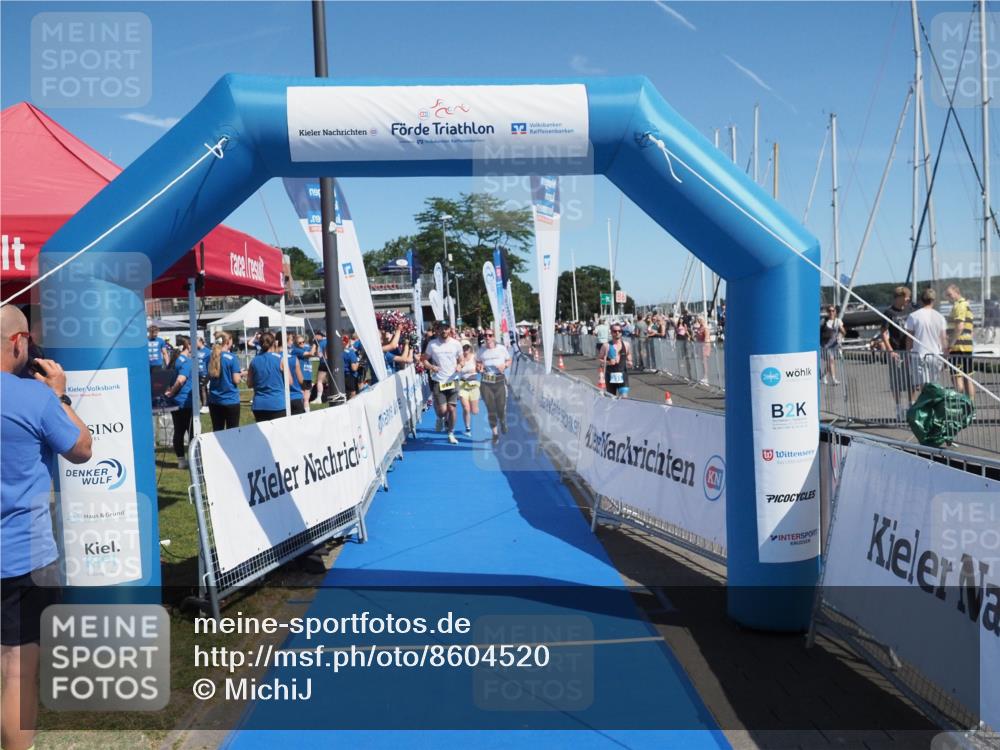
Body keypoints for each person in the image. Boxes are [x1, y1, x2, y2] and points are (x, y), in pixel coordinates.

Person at [1, 305, 92, 750]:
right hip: (22, 557)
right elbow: (82, 448)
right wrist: (59, 394)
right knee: (18, 671)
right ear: (19, 342)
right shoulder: (34, 398)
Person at [422, 321, 463, 444]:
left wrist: (460, 365)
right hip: (438, 380)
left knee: (452, 408)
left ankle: (451, 432)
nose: (444, 331)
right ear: (437, 330)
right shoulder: (432, 344)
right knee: (442, 411)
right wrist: (431, 367)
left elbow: (461, 360)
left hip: (453, 380)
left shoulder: (456, 344)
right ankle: (440, 418)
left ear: (449, 329)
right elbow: (424, 359)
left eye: (446, 328)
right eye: (441, 329)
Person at [905, 287, 948, 403]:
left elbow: (909, 338)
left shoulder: (913, 316)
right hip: (935, 354)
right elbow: (943, 338)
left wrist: (907, 354)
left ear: (921, 300)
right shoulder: (940, 317)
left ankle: (922, 410)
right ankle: (932, 409)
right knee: (934, 385)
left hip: (918, 354)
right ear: (933, 300)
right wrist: (946, 356)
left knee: (922, 386)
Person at [881, 286, 916, 420]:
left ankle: (911, 406)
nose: (908, 300)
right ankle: (898, 407)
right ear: (900, 297)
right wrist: (890, 351)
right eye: (906, 297)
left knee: (911, 380)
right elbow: (883, 333)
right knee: (896, 381)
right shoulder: (889, 313)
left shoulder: (910, 310)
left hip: (909, 350)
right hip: (896, 350)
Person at [163, 336, 195, 469]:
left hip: (175, 402)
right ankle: (194, 460)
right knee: (192, 431)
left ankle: (181, 460)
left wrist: (170, 393)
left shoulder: (174, 360)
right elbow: (181, 380)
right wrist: (173, 391)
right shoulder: (186, 362)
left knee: (179, 431)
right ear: (188, 346)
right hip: (184, 402)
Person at [476, 329, 512, 443]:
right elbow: (478, 362)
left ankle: (502, 420)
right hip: (486, 382)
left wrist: (505, 365)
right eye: (485, 335)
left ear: (494, 336)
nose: (487, 337)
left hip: (499, 380)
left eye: (490, 335)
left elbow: (509, 360)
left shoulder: (501, 349)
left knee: (500, 408)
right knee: (491, 409)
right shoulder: (481, 350)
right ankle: (495, 433)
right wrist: (479, 367)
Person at [944, 283, 975, 401]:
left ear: (957, 292)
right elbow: (970, 329)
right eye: (947, 295)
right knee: (968, 378)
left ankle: (962, 406)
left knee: (957, 377)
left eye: (950, 294)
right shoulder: (967, 306)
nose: (948, 297)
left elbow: (960, 327)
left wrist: (950, 345)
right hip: (967, 347)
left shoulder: (959, 306)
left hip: (958, 347)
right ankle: (971, 407)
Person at [207, 331, 243, 431]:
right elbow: (236, 380)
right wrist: (241, 374)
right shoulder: (232, 358)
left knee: (217, 431)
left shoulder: (210, 357)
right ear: (227, 342)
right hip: (230, 400)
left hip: (214, 400)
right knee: (233, 432)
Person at [247, 332, 286, 421]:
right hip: (277, 404)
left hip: (259, 405)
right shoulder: (280, 359)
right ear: (274, 343)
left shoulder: (254, 361)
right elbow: (290, 381)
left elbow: (249, 383)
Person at [599, 323, 633, 397]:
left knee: (624, 399)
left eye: (619, 331)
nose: (617, 333)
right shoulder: (606, 346)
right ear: (611, 332)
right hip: (610, 377)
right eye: (615, 331)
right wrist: (608, 362)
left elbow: (629, 354)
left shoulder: (626, 344)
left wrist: (630, 361)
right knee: (611, 401)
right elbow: (599, 360)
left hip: (623, 376)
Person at [277, 333, 305, 415]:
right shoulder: (293, 358)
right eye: (291, 340)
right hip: (295, 396)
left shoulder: (274, 358)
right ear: (285, 342)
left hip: (280, 398)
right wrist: (304, 387)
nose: (292, 342)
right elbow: (300, 379)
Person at [457, 342, 481, 436]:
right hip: (462, 385)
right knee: (466, 408)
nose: (465, 350)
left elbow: (480, 368)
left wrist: (478, 369)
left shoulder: (475, 357)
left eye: (467, 348)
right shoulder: (459, 358)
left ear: (470, 348)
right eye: (464, 348)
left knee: (474, 411)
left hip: (473, 385)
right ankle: (467, 428)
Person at [820, 305, 845, 385]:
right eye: (829, 311)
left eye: (833, 310)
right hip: (825, 345)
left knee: (830, 362)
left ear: (835, 312)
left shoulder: (838, 321)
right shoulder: (824, 321)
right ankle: (834, 379)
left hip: (834, 345)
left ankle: (824, 376)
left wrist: (840, 335)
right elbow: (819, 332)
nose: (831, 312)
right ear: (827, 312)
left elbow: (843, 331)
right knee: (831, 360)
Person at [290, 335, 313, 411]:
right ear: (296, 344)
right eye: (300, 343)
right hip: (301, 377)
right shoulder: (296, 350)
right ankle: (302, 412)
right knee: (302, 397)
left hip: (308, 376)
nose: (302, 344)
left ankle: (307, 413)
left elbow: (314, 352)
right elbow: (311, 354)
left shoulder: (305, 348)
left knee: (306, 398)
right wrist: (315, 345)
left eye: (303, 342)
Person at [343, 332, 361, 399]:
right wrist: (358, 362)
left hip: (342, 376)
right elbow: (354, 368)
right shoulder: (350, 353)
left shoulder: (338, 352)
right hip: (350, 376)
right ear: (348, 342)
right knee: (353, 394)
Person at [196, 336, 210, 415]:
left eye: (196, 341)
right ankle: (203, 405)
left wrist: (209, 373)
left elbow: (209, 363)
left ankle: (205, 405)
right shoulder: (195, 351)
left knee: (203, 388)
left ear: (201, 341)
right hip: (196, 373)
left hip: (204, 373)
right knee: (199, 389)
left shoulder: (207, 351)